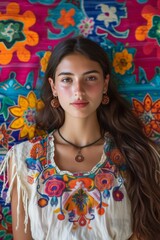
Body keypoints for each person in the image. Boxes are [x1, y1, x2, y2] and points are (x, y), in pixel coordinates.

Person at [0, 36, 160, 240]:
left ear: (105, 83)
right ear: (53, 87)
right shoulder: (24, 159)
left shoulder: (139, 155)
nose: (79, 91)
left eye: (90, 78)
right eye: (67, 79)